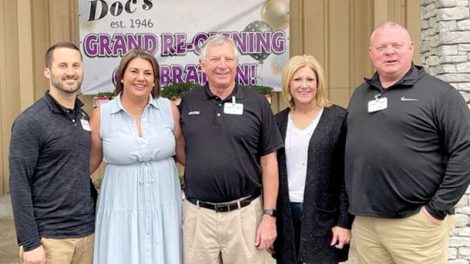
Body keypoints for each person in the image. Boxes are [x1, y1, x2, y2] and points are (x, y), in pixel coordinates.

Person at [345, 21, 470, 263]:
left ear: (411, 48)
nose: (389, 51)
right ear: (371, 53)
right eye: (381, 47)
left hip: (415, 224)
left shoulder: (440, 94)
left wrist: (436, 210)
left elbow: (464, 150)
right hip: (366, 225)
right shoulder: (361, 94)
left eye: (396, 45)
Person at [178, 34, 283, 264]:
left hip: (245, 215)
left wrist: (268, 216)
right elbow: (183, 151)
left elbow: (269, 162)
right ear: (202, 65)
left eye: (228, 59)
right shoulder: (188, 102)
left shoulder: (257, 103)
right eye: (215, 59)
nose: (222, 65)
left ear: (237, 64)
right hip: (199, 217)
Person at [89, 48, 184, 263]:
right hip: (120, 205)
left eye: (148, 73)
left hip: (164, 203)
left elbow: (184, 154)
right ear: (122, 76)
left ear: (155, 80)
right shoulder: (102, 115)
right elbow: (90, 163)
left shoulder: (169, 110)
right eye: (134, 71)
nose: (141, 78)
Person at [9, 42, 95, 264]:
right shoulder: (30, 122)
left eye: (76, 65)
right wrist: (30, 243)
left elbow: (78, 172)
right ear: (48, 71)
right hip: (50, 242)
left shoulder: (83, 118)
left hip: (86, 235)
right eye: (63, 65)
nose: (70, 72)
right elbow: (19, 184)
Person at [273, 55, 353, 264]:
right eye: (297, 79)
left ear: (319, 84)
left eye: (310, 79)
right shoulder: (277, 122)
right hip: (286, 216)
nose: (304, 86)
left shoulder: (338, 119)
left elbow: (346, 176)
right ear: (288, 85)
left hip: (324, 217)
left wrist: (344, 222)